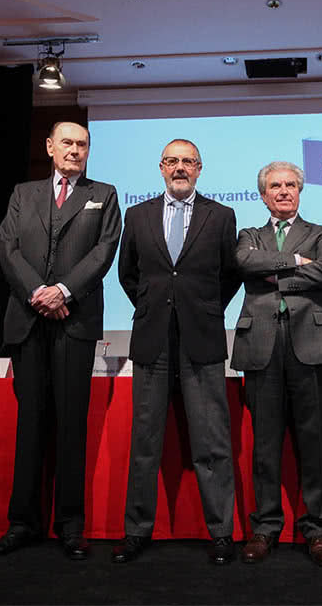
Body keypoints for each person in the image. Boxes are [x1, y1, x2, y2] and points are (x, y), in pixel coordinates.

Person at [0, 122, 121, 561]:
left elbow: (104, 251)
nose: (75, 150)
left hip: (74, 322)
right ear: (50, 147)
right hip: (28, 320)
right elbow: (7, 246)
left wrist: (62, 291)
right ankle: (22, 522)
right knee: (30, 424)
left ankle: (70, 524)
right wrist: (36, 293)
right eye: (68, 143)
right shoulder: (23, 193)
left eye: (83, 144)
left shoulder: (106, 192)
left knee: (70, 424)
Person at [114, 139, 241, 565]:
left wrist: (204, 311)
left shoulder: (221, 216)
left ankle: (221, 533)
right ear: (161, 168)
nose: (180, 168)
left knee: (212, 443)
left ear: (200, 169)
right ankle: (136, 531)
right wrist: (154, 308)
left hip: (201, 340)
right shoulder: (137, 215)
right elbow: (127, 275)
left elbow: (231, 275)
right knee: (145, 443)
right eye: (172, 161)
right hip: (152, 340)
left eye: (188, 161)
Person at [230, 161, 322, 566]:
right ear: (262, 194)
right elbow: (244, 263)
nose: (282, 191)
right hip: (260, 347)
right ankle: (265, 528)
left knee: (312, 445)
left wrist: (275, 271)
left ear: (300, 190)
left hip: (311, 346)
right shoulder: (249, 235)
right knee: (265, 445)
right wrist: (297, 261)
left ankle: (316, 531)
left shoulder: (321, 233)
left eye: (290, 185)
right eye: (274, 186)